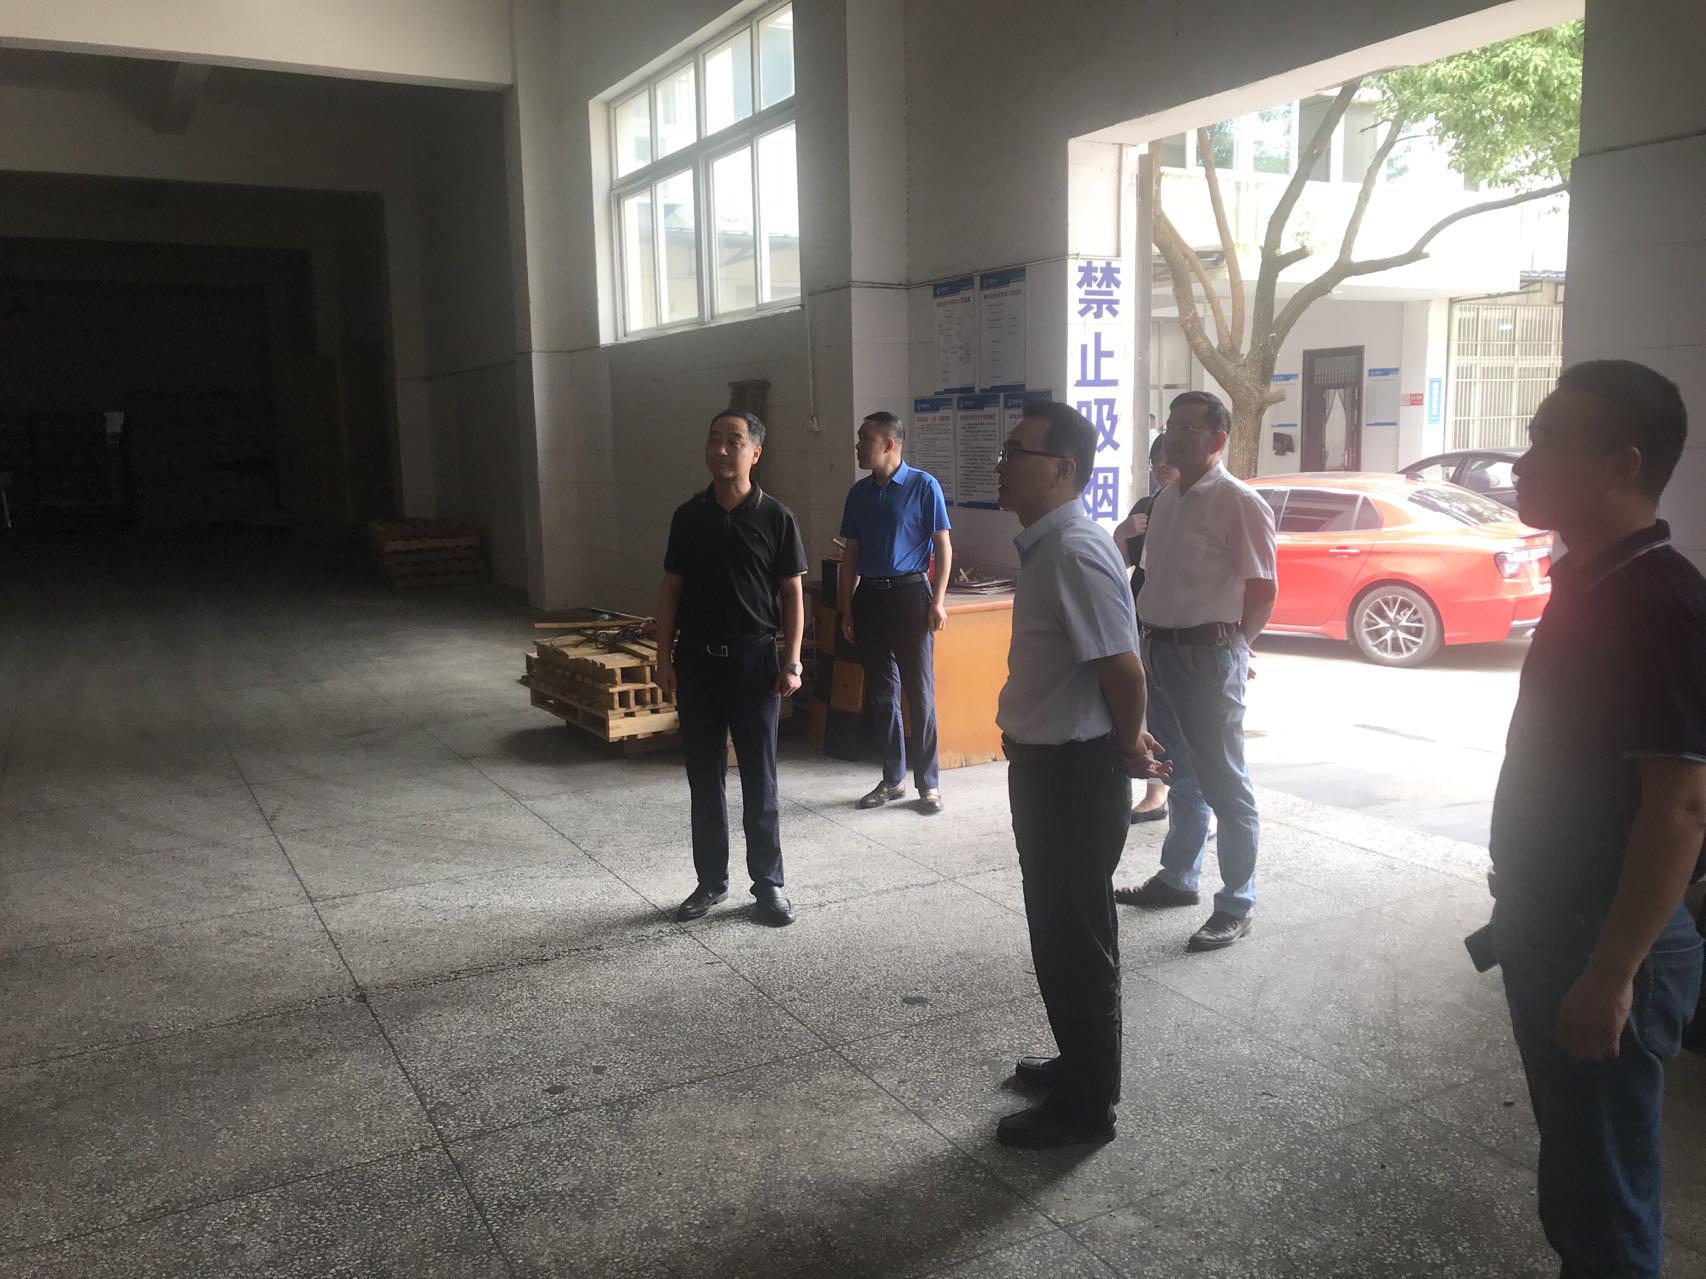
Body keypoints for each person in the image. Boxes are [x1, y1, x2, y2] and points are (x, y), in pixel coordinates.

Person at [1488, 359, 1705, 1278]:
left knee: (1605, 1202)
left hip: (1604, 941)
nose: (1522, 460)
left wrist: (1613, 972)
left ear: (1622, 464)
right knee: (1579, 1182)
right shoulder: (1593, 580)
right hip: (1554, 924)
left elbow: (1681, 805)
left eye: (1547, 438)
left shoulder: (1659, 602)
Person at [992, 400, 1168, 1150]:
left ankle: (1087, 1108)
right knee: (1061, 932)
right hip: (1051, 771)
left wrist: (1128, 745)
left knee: (1075, 940)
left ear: (1063, 469)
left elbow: (1124, 671)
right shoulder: (1053, 545)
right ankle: (1077, 1065)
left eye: (1018, 452)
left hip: (1072, 776)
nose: (1002, 463)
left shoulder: (1072, 549)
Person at [1114, 390, 1276, 952]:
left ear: (1218, 439)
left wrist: (1236, 647)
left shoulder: (1239, 502)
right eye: (1171, 425)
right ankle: (1178, 878)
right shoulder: (1166, 498)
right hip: (1157, 650)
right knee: (1177, 772)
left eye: (1187, 427)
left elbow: (1263, 590)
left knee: (1225, 782)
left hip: (1208, 656)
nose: (1173, 436)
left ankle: (1236, 904)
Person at [655, 410, 808, 927]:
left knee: (760, 781)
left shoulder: (776, 517)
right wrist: (663, 658)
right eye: (714, 439)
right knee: (704, 779)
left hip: (754, 664)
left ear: (755, 453)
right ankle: (711, 882)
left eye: (734, 441)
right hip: (697, 663)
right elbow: (671, 590)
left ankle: (768, 884)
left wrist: (792, 660)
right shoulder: (688, 516)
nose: (721, 449)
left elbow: (792, 593)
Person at [837, 411, 954, 814]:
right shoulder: (859, 493)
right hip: (869, 597)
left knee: (919, 694)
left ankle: (929, 784)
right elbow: (850, 556)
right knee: (882, 693)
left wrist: (938, 601)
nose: (858, 446)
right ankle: (892, 779)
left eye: (864, 438)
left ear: (889, 444)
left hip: (910, 596)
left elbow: (943, 545)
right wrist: (847, 608)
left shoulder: (923, 485)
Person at [1111, 433, 1179, 824]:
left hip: (1186, 624)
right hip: (1142, 615)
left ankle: (1196, 804)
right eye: (1157, 460)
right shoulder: (1146, 507)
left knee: (1184, 712)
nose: (1163, 465)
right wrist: (1122, 534)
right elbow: (1120, 567)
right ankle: (1157, 790)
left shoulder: (1200, 508)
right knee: (1148, 706)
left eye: (1171, 458)